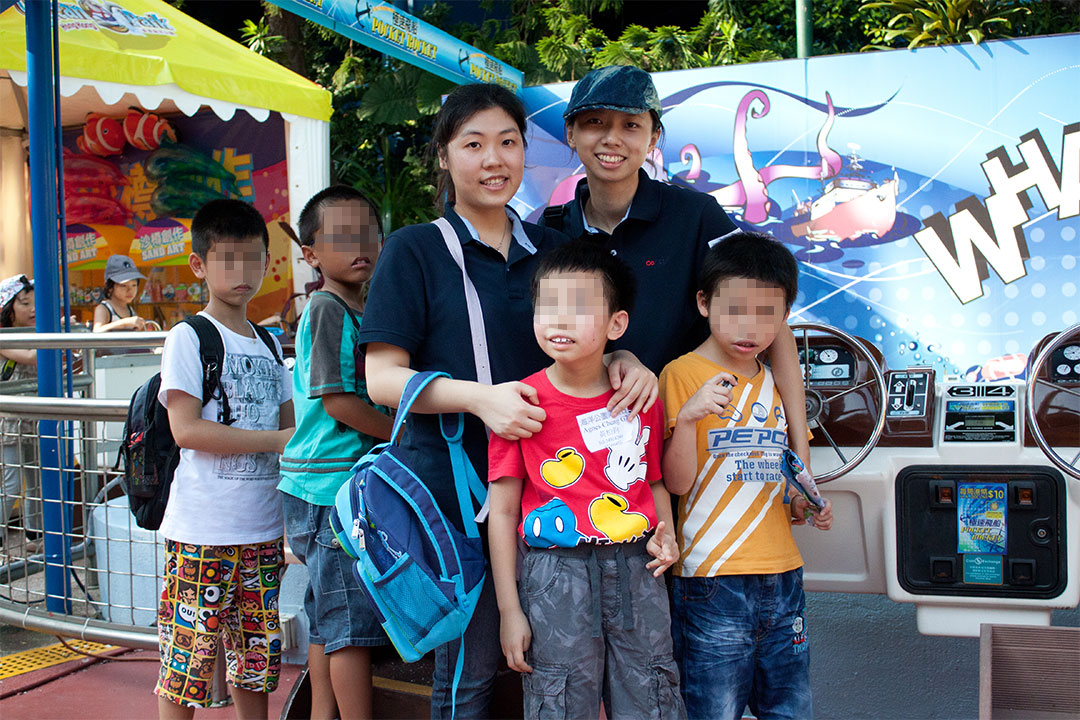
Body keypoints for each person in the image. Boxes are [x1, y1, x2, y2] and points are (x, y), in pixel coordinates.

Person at [359, 83, 656, 719]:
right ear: (444, 156)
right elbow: (381, 379)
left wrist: (623, 360)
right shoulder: (414, 250)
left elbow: (590, 340)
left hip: (560, 498)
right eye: (473, 144)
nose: (494, 160)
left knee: (557, 675)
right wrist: (482, 401)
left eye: (508, 142)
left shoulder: (550, 249)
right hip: (455, 496)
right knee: (470, 673)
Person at [543, 65, 812, 467]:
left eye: (631, 125)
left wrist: (800, 453)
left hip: (697, 440)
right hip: (588, 455)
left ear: (653, 138)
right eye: (594, 122)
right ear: (570, 132)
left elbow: (770, 321)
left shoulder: (696, 215)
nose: (611, 138)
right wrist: (610, 358)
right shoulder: (549, 231)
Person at [488, 242, 684, 719]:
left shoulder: (640, 397)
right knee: (559, 699)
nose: (560, 320)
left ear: (617, 324)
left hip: (639, 567)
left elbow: (653, 481)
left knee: (651, 692)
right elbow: (504, 510)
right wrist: (510, 610)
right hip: (555, 575)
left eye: (578, 307)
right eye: (548, 305)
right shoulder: (517, 403)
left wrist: (669, 534)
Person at [659, 232, 834, 720]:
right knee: (712, 710)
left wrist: (804, 503)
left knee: (789, 708)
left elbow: (777, 477)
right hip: (712, 579)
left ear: (784, 320)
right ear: (703, 302)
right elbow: (675, 485)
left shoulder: (773, 383)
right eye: (734, 309)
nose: (749, 327)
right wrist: (690, 418)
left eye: (767, 314)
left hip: (783, 574)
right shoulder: (680, 375)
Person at [154, 199, 294, 720]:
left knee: (256, 658)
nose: (242, 272)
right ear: (199, 265)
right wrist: (274, 443)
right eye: (227, 259)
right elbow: (185, 429)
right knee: (187, 663)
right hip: (201, 531)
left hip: (261, 529)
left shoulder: (268, 340)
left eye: (253, 259)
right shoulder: (188, 337)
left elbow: (291, 429)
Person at [278, 185, 393, 720]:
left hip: (322, 487)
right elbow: (338, 401)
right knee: (349, 627)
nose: (360, 244)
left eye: (368, 232)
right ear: (311, 254)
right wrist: (396, 431)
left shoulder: (355, 306)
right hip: (332, 488)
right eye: (342, 236)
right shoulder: (327, 308)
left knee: (327, 619)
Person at [0, 275, 40, 552]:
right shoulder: (4, 336)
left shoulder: (36, 333)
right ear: (8, 307)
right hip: (8, 422)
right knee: (11, 481)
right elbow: (30, 356)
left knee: (38, 477)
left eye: (36, 303)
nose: (33, 309)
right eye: (25, 303)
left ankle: (34, 536)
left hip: (35, 417)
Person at [93, 254, 148, 332]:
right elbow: (97, 331)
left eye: (134, 285)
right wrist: (124, 323)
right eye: (124, 286)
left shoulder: (130, 310)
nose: (130, 290)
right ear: (110, 287)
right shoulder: (104, 309)